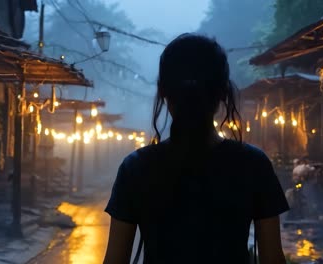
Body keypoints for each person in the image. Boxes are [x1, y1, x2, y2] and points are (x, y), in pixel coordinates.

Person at [103, 33, 289, 264]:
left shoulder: (136, 168)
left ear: (163, 91)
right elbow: (273, 258)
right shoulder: (254, 164)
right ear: (222, 92)